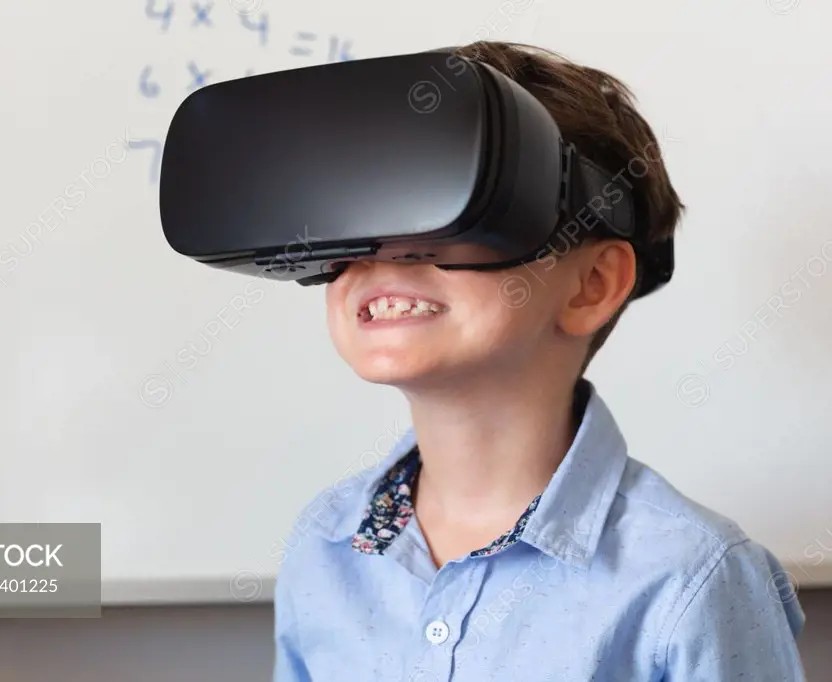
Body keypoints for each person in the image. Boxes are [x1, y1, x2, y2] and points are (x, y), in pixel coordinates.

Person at [271, 41, 807, 681]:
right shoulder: (325, 548)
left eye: (452, 206)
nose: (382, 257)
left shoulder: (691, 576)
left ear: (592, 284)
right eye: (354, 216)